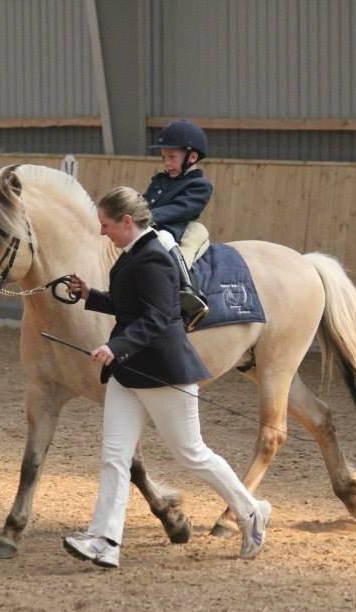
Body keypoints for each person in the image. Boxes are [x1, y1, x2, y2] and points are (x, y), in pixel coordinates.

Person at [62, 186, 271, 569]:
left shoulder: (154, 258)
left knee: (191, 454)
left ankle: (251, 511)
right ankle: (105, 542)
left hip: (161, 371)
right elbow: (128, 306)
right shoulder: (133, 255)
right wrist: (89, 295)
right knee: (114, 456)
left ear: (127, 222)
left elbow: (159, 317)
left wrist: (116, 346)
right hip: (129, 373)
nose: (103, 232)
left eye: (107, 225)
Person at [144, 118, 212, 331]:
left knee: (165, 240)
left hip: (173, 230)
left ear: (192, 157)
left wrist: (147, 217)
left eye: (172, 157)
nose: (166, 162)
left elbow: (181, 209)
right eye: (164, 157)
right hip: (148, 225)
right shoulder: (160, 181)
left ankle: (189, 293)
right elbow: (145, 200)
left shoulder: (199, 186)